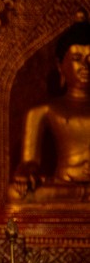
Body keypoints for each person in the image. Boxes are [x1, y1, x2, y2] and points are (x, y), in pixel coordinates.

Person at [11, 17, 90, 201]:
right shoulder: (44, 110)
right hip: (64, 188)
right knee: (16, 194)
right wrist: (25, 171)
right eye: (77, 59)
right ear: (60, 65)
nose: (86, 67)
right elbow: (30, 161)